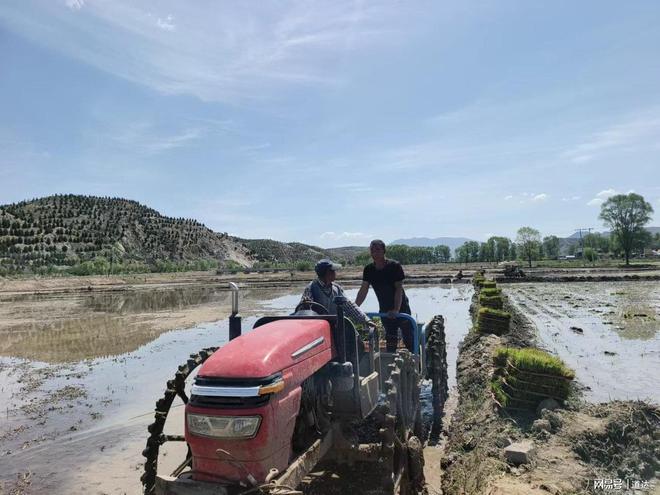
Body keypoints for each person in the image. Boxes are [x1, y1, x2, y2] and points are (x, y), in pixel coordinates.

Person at [355, 239, 414, 352]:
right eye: (372, 250)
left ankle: (418, 364)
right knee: (391, 340)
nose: (375, 253)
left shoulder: (394, 266)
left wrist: (396, 310)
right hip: (385, 310)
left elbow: (398, 289)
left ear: (384, 251)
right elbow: (363, 290)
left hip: (401, 308)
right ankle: (391, 363)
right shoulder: (369, 270)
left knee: (409, 339)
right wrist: (355, 307)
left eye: (378, 250)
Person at [298, 259, 374, 329]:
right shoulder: (311, 288)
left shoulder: (336, 288)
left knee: (356, 340)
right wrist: (306, 305)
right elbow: (304, 311)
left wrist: (366, 320)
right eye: (333, 271)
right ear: (327, 273)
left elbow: (349, 305)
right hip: (318, 328)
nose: (335, 273)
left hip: (336, 326)